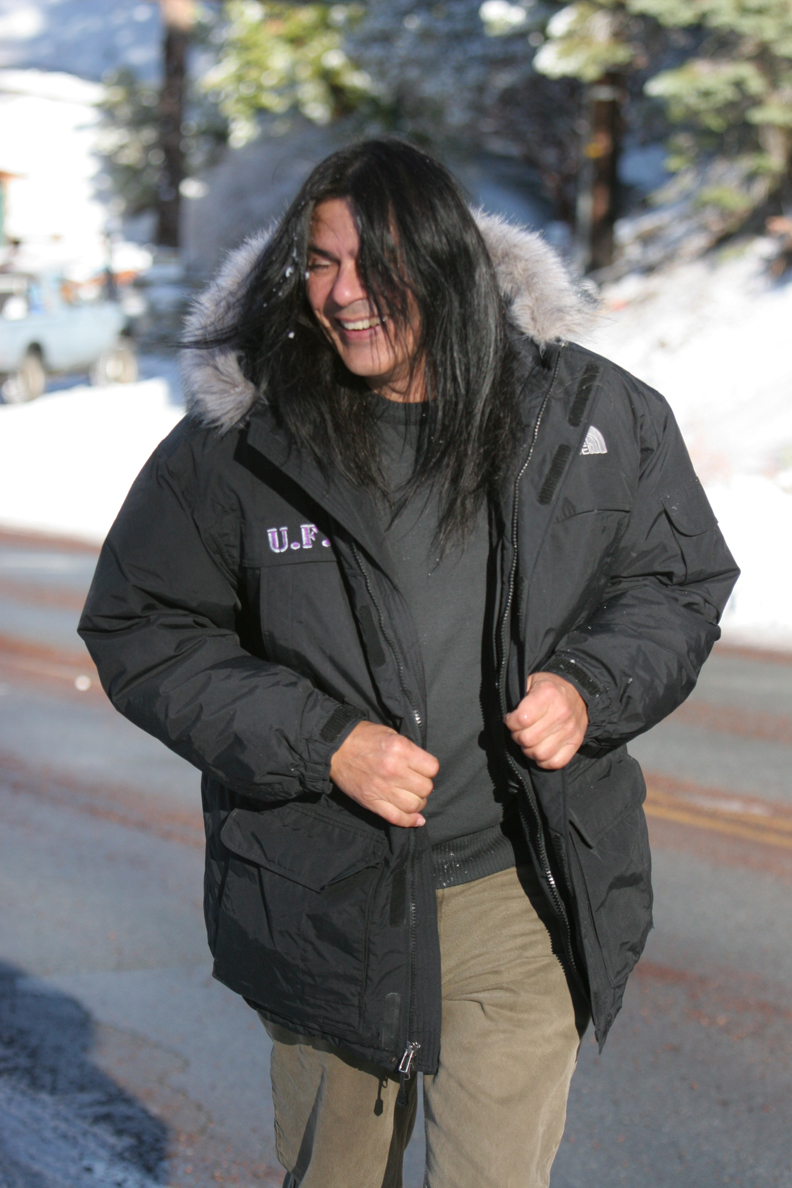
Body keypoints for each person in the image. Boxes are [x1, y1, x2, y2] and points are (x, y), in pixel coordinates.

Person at [79, 138, 738, 1188]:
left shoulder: (587, 413)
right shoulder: (241, 442)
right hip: (326, 895)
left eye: (374, 263)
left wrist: (590, 685)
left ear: (444, 263)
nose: (343, 294)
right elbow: (143, 623)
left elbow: (674, 579)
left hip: (521, 888)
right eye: (321, 262)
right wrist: (323, 743)